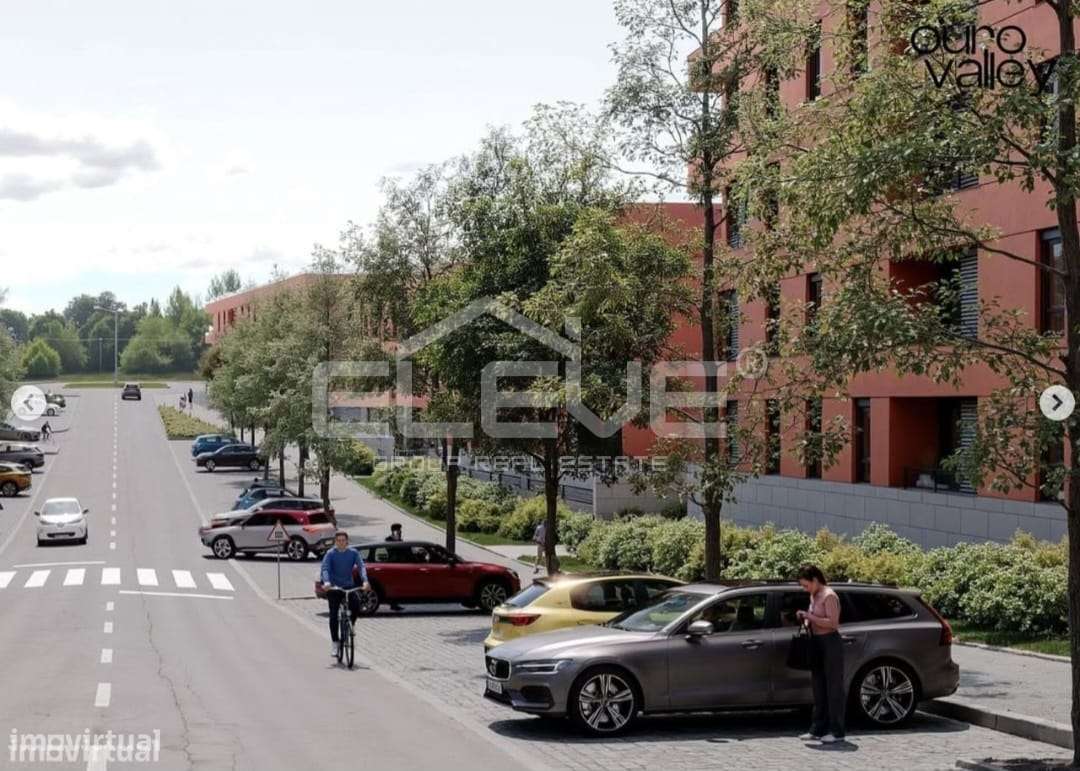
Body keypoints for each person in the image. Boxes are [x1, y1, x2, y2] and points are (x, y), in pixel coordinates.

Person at [795, 564, 845, 744]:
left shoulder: (829, 595)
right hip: (816, 642)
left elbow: (833, 623)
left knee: (834, 687)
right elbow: (812, 616)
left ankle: (837, 730)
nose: (804, 588)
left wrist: (810, 617)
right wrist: (805, 620)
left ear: (815, 580)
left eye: (806, 585)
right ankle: (817, 728)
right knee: (818, 687)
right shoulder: (813, 595)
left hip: (830, 642)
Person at [320, 531, 371, 657]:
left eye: (343, 540)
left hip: (348, 586)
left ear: (347, 541)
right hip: (334, 587)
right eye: (339, 540)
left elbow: (361, 566)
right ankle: (335, 643)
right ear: (335, 542)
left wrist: (365, 580)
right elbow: (325, 568)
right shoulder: (330, 554)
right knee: (333, 614)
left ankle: (350, 626)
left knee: (356, 604)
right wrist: (326, 582)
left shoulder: (353, 553)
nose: (341, 542)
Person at [384, 523, 405, 610]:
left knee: (398, 585)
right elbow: (391, 549)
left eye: (400, 530)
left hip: (399, 565)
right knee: (392, 585)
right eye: (397, 530)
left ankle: (395, 603)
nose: (399, 532)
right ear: (393, 531)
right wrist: (396, 539)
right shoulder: (388, 539)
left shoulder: (400, 540)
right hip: (392, 564)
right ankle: (393, 603)